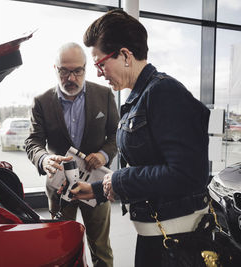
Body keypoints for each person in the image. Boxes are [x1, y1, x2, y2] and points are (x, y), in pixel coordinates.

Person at [70, 9, 211, 267]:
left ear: (125, 55)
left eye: (100, 64)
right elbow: (148, 165)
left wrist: (120, 179)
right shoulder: (138, 97)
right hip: (156, 234)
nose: (98, 73)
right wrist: (97, 190)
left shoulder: (164, 92)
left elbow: (188, 174)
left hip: (177, 242)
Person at [25, 42, 119, 267]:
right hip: (59, 187)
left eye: (77, 70)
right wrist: (44, 158)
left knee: (101, 247)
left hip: (96, 184)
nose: (71, 77)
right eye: (64, 71)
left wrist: (104, 155)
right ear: (55, 69)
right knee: (60, 248)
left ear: (85, 68)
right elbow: (33, 142)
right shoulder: (41, 101)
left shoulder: (104, 95)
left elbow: (117, 134)